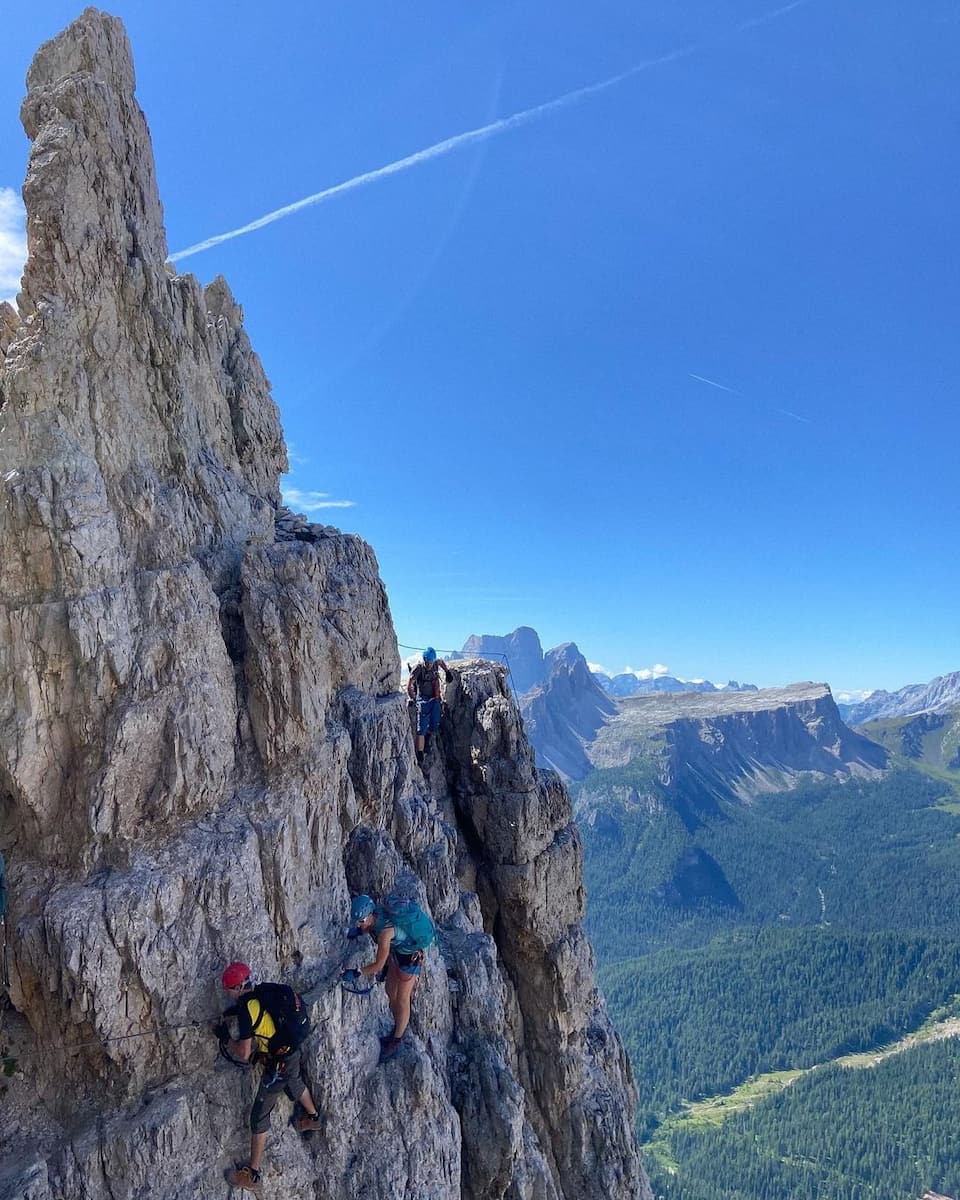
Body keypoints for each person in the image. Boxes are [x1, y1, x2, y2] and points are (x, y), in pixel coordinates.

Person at [217, 962, 323, 1194]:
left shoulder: (246, 1009)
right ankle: (313, 1117)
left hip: (278, 1064)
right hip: (291, 1050)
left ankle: (252, 1174)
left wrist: (226, 1039)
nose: (227, 994)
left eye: (228, 989)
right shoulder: (262, 992)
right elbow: (261, 1016)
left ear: (236, 988)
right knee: (295, 1081)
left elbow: (244, 1053)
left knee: (259, 1115)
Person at [342, 894, 434, 1062]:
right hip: (398, 954)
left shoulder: (385, 933)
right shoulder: (377, 913)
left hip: (409, 960)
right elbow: (371, 929)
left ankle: (397, 1039)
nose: (359, 924)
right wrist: (358, 931)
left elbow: (377, 965)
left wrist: (356, 972)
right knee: (390, 991)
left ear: (370, 916)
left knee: (402, 999)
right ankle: (397, 1027)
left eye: (361, 921)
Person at [407, 647, 455, 765]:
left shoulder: (435, 664)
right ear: (424, 660)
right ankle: (420, 753)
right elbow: (410, 684)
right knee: (421, 728)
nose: (429, 665)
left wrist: (447, 672)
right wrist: (412, 698)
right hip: (423, 700)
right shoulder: (418, 669)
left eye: (431, 662)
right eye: (428, 662)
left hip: (435, 699)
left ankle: (428, 738)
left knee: (435, 722)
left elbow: (441, 662)